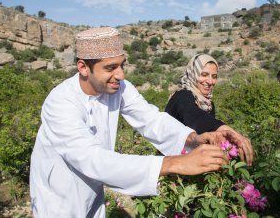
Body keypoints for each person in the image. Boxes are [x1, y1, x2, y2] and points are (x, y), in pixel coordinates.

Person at [29, 27, 240, 218]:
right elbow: (92, 159)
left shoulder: (119, 88)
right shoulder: (60, 102)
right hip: (57, 200)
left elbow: (151, 119)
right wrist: (176, 163)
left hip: (92, 193)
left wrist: (193, 138)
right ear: (83, 67)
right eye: (111, 67)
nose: (120, 74)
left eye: (122, 65)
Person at [165, 54, 253, 165]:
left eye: (214, 76)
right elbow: (194, 117)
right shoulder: (181, 96)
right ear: (193, 74)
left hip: (192, 164)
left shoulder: (208, 103)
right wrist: (230, 132)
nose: (210, 81)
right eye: (204, 75)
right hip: (171, 165)